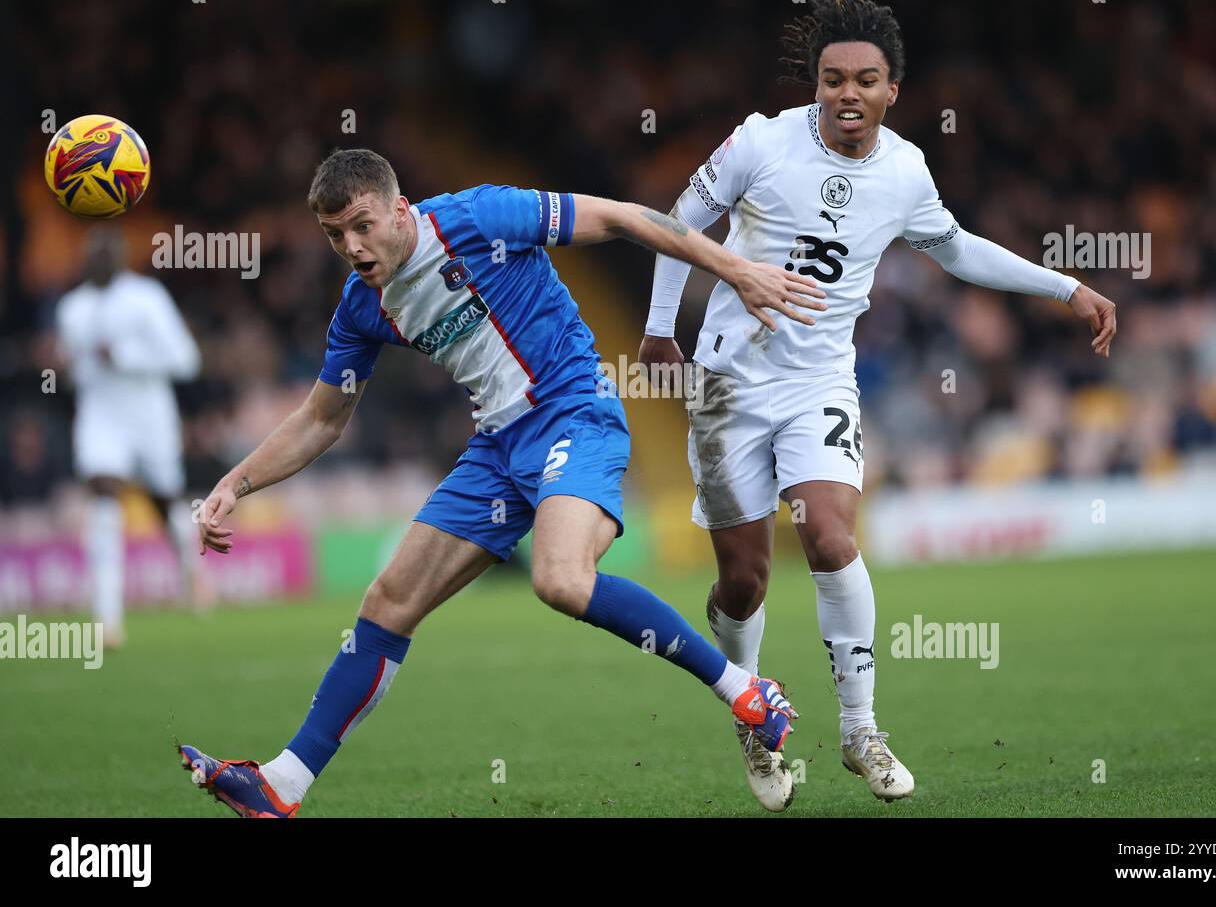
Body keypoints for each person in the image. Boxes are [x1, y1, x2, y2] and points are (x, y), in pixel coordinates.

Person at [177, 148, 824, 817]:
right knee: (388, 602)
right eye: (335, 234)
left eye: (362, 225)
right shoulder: (361, 307)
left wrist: (737, 269)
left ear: (400, 209)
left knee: (560, 580)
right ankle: (282, 785)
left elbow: (626, 217)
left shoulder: (479, 217)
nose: (352, 246)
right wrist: (236, 484)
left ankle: (747, 693)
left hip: (576, 411)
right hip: (497, 448)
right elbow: (321, 419)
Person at [639, 0, 1117, 810]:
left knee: (829, 535)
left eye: (864, 79)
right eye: (832, 79)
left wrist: (1064, 287)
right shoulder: (761, 142)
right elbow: (678, 219)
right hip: (727, 380)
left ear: (893, 89)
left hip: (819, 379)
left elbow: (958, 250)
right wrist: (656, 329)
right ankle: (750, 710)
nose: (847, 94)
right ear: (815, 85)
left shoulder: (906, 171)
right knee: (744, 581)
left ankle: (861, 731)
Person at [55, 227, 204, 649]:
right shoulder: (72, 309)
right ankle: (107, 617)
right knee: (103, 497)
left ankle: (191, 573)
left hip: (150, 417)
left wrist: (124, 357)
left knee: (164, 503)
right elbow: (73, 371)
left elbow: (186, 360)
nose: (99, 258)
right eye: (93, 252)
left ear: (121, 257)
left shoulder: (147, 298)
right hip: (99, 417)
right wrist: (62, 368)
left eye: (107, 251)